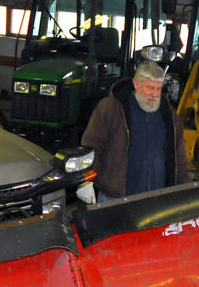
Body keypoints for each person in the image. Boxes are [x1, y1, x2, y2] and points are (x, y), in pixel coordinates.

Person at [80, 60, 191, 201]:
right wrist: (85, 181)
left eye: (158, 89)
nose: (155, 94)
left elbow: (178, 157)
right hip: (115, 199)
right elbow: (92, 147)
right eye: (150, 88)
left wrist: (186, 189)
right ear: (136, 84)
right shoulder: (111, 109)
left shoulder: (168, 115)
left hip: (156, 199)